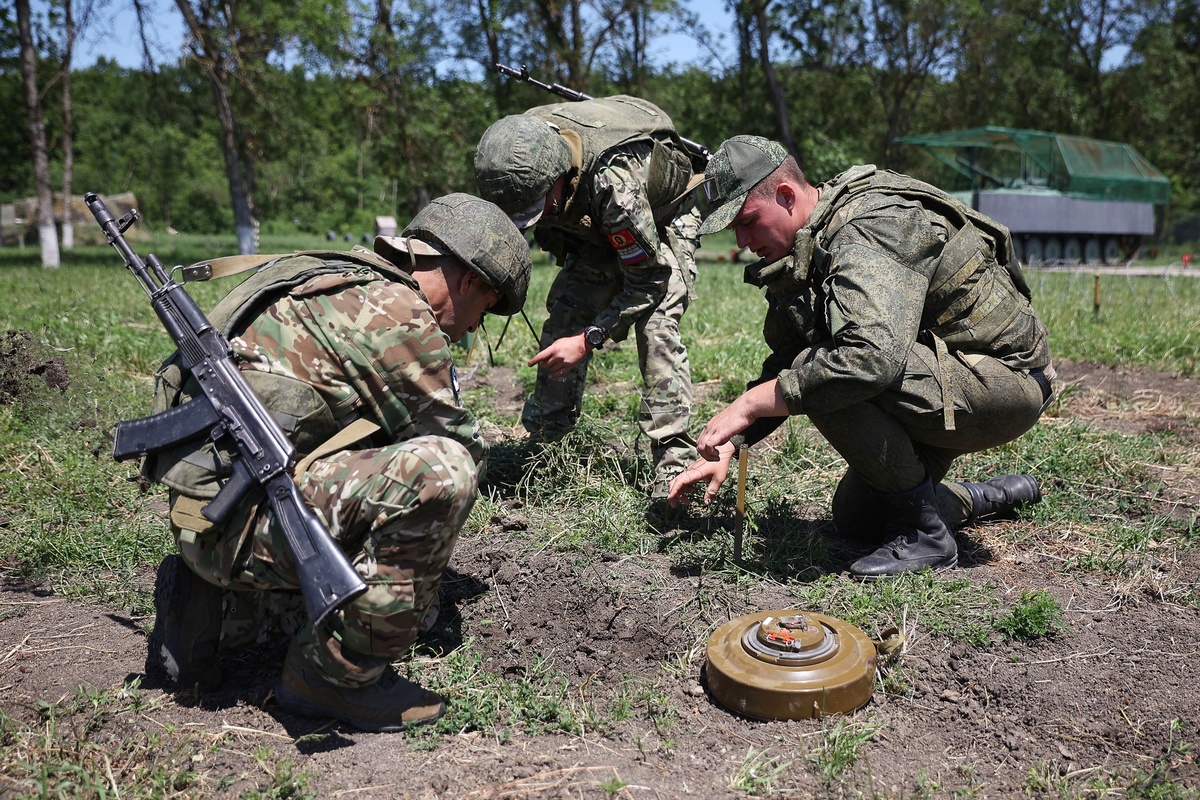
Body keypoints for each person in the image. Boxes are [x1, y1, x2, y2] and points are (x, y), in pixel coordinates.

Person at [144, 193, 532, 731]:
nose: (469, 331)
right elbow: (457, 445)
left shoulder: (324, 276)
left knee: (371, 463)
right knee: (442, 472)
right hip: (248, 520)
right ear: (469, 281)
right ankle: (335, 677)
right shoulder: (396, 311)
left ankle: (220, 612)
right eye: (483, 312)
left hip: (205, 520)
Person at [668, 136, 1053, 577]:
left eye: (748, 221)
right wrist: (733, 443)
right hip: (938, 379)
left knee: (821, 368)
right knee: (859, 521)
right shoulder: (812, 241)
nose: (741, 240)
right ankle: (987, 497)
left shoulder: (867, 226)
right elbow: (789, 357)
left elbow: (866, 359)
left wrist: (751, 403)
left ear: (786, 195)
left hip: (1004, 382)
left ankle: (928, 535)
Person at [473, 95, 705, 500]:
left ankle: (675, 467)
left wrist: (588, 339)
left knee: (655, 327)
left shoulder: (614, 184)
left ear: (560, 177)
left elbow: (648, 279)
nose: (538, 217)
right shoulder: (517, 152)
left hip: (663, 213)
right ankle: (547, 444)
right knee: (565, 315)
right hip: (599, 224)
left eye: (540, 207)